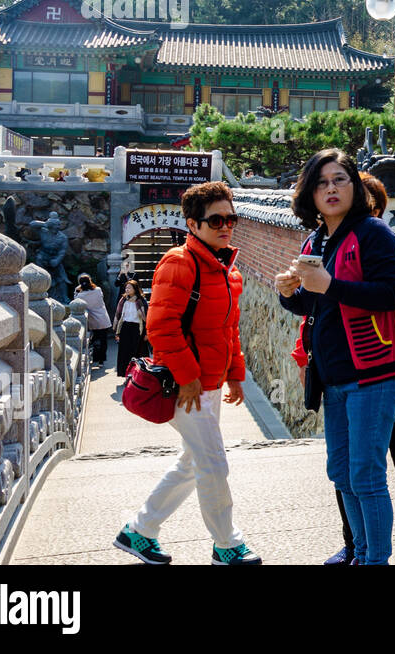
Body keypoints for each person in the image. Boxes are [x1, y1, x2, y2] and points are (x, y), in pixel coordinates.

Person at [114, 181, 260, 566]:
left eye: (231, 218)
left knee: (193, 463)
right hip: (187, 386)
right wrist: (187, 376)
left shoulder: (228, 272)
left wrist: (234, 374)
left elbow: (230, 329)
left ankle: (138, 531)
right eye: (216, 220)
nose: (226, 226)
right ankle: (227, 544)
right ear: (193, 224)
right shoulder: (179, 263)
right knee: (213, 462)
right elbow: (161, 327)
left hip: (209, 384)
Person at [307, 172, 395, 565]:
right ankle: (354, 544)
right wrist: (309, 351)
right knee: (349, 472)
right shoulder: (330, 254)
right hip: (349, 380)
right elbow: (323, 316)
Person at [275, 149, 395, 565]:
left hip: (374, 372)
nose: (330, 189)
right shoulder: (316, 240)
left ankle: (376, 560)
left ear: (355, 186)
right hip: (333, 375)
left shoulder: (374, 234)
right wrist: (289, 294)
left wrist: (329, 284)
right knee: (343, 475)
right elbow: (313, 306)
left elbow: (390, 295)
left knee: (367, 476)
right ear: (309, 194)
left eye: (340, 180)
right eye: (321, 182)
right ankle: (362, 553)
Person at [113, 278, 149, 380]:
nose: (127, 290)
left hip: (138, 329)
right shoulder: (123, 300)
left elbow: (146, 318)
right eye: (126, 288)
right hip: (125, 327)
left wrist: (146, 333)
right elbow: (118, 315)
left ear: (135, 289)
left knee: (138, 352)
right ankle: (127, 375)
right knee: (125, 352)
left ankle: (139, 375)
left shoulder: (140, 301)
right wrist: (117, 331)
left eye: (129, 288)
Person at [75, 274, 114, 366]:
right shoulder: (98, 290)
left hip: (92, 321)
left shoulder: (80, 296)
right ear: (90, 281)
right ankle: (102, 361)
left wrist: (78, 289)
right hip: (103, 319)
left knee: (94, 339)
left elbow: (75, 302)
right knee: (103, 340)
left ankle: (95, 358)